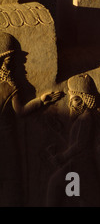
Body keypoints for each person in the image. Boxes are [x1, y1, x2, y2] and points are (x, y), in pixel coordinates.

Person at [0, 31, 62, 206]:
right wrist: (42, 101)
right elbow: (21, 111)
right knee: (12, 182)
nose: (22, 67)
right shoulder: (9, 86)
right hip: (7, 139)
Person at [46, 74, 100, 207]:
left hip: (80, 167)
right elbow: (74, 143)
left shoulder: (86, 118)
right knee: (72, 195)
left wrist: (62, 157)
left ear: (85, 99)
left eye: (75, 99)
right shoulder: (81, 119)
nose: (71, 103)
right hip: (75, 166)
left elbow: (79, 145)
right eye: (71, 99)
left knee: (59, 187)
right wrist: (59, 132)